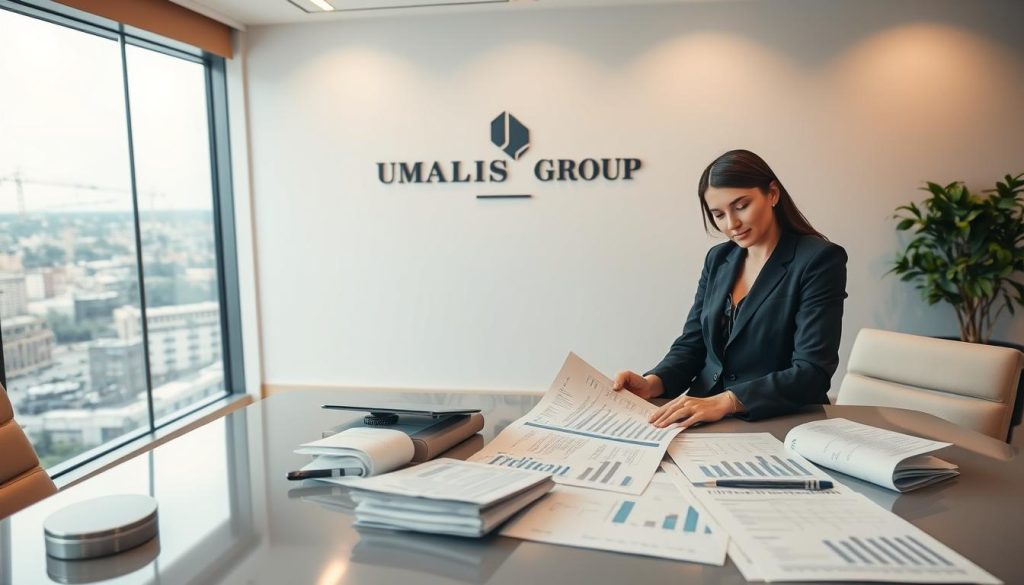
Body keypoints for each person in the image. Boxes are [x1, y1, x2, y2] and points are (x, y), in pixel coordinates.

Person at [612, 149, 847, 428]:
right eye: (718, 214)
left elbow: (812, 372)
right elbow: (693, 344)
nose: (731, 224)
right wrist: (652, 383)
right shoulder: (719, 259)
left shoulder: (818, 260)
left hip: (779, 419)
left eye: (741, 206)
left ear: (772, 194)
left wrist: (727, 401)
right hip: (704, 416)